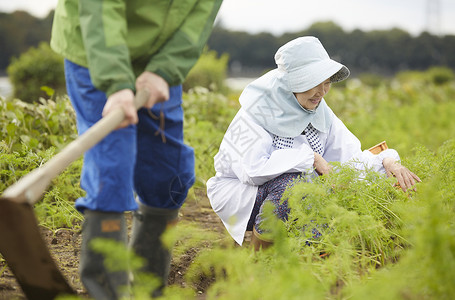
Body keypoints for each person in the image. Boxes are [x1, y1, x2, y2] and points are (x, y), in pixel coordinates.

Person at [50, 0, 222, 298]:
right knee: (112, 168)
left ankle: (147, 290)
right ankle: (108, 293)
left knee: (169, 173)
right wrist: (116, 84)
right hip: (96, 50)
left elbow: (199, 17)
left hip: (158, 61)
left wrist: (164, 69)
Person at [206, 36, 421, 250]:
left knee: (322, 201)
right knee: (292, 186)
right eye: (313, 83)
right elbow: (251, 169)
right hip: (241, 193)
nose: (321, 91)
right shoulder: (257, 110)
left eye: (326, 82)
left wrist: (387, 161)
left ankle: (305, 260)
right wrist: (311, 158)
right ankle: (262, 259)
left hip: (296, 190)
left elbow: (349, 160)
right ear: (291, 82)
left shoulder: (319, 109)